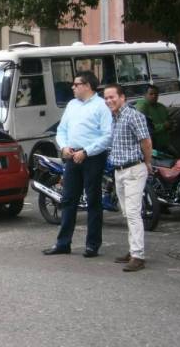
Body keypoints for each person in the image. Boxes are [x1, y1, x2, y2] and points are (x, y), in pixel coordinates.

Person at [43, 71, 112, 257]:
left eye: (76, 84)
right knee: (67, 200)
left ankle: (92, 245)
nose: (72, 87)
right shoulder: (72, 105)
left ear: (87, 86)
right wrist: (64, 146)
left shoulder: (101, 106)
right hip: (72, 155)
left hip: (93, 157)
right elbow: (61, 129)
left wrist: (86, 151)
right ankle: (63, 243)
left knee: (93, 200)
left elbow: (107, 135)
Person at [104, 84, 152, 272]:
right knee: (127, 213)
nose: (109, 101)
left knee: (132, 213)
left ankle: (138, 256)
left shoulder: (133, 115)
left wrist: (147, 163)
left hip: (133, 170)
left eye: (112, 97)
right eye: (106, 98)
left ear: (122, 97)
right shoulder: (114, 118)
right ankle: (133, 251)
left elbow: (146, 141)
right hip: (119, 171)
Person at [134, 85, 173, 153]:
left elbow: (169, 120)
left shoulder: (161, 107)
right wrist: (163, 126)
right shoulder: (142, 107)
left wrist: (170, 125)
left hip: (165, 144)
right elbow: (144, 128)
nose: (154, 96)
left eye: (156, 94)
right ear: (145, 95)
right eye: (151, 94)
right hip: (152, 148)